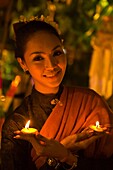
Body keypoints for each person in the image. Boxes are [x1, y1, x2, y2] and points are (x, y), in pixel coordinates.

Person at [1, 15, 113, 170]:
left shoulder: (91, 102)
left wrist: (68, 157)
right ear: (23, 63)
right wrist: (55, 158)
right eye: (38, 58)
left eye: (57, 53)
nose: (51, 65)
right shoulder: (16, 126)